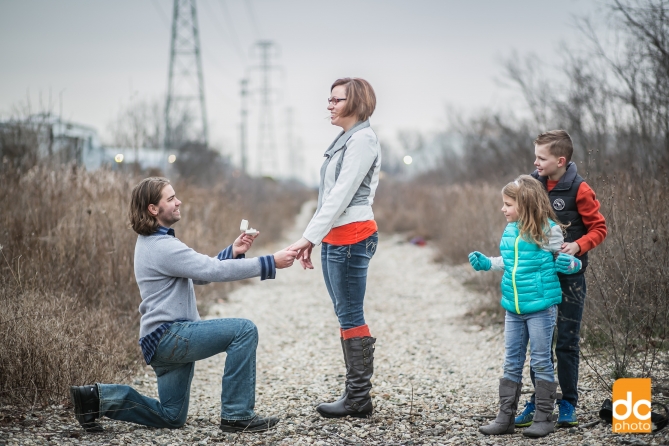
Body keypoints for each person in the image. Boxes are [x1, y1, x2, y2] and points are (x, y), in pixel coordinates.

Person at [70, 177, 298, 433]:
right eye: (170, 199)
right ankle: (236, 415)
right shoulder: (161, 246)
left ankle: (95, 398)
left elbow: (200, 274)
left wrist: (232, 252)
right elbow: (211, 271)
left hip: (160, 341)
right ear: (153, 209)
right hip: (170, 336)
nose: (178, 202)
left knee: (171, 417)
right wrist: (270, 262)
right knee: (244, 330)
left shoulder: (153, 242)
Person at [288, 77, 381, 419]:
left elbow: (342, 195)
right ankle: (355, 395)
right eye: (330, 99)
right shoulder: (345, 139)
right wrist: (316, 236)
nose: (329, 105)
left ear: (355, 103)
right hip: (336, 238)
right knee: (344, 313)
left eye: (336, 100)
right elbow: (326, 197)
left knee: (350, 313)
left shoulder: (363, 140)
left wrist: (308, 238)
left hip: (353, 236)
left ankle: (358, 397)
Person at [469, 175, 582, 438]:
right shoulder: (510, 230)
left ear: (525, 204)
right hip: (513, 308)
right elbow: (509, 261)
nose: (503, 209)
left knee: (541, 361)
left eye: (508, 204)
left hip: (541, 308)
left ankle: (544, 418)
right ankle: (505, 417)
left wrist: (570, 264)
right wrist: (487, 263)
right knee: (511, 362)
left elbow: (567, 259)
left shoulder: (549, 231)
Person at [514, 130, 607, 428]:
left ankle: (568, 402)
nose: (536, 162)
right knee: (540, 343)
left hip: (570, 279)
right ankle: (540, 401)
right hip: (538, 278)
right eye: (535, 157)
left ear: (560, 161)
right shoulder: (531, 185)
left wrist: (578, 246)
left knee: (566, 341)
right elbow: (518, 219)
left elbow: (599, 228)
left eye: (541, 158)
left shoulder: (580, 189)